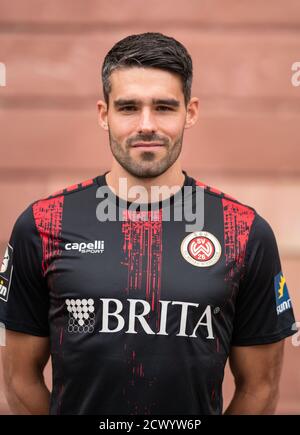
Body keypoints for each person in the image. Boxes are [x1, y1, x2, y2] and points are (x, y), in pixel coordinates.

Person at [0, 32, 297, 415]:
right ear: (103, 114)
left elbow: (260, 388)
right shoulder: (42, 224)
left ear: (190, 112)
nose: (146, 125)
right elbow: (19, 379)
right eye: (128, 108)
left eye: (163, 107)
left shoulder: (243, 231)